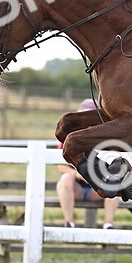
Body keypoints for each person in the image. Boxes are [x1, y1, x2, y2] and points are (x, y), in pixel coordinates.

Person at [56, 98, 120, 228]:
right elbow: (60, 166)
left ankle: (108, 225)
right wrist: (78, 174)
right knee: (66, 179)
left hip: (96, 189)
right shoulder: (68, 137)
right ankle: (69, 223)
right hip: (75, 187)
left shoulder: (106, 138)